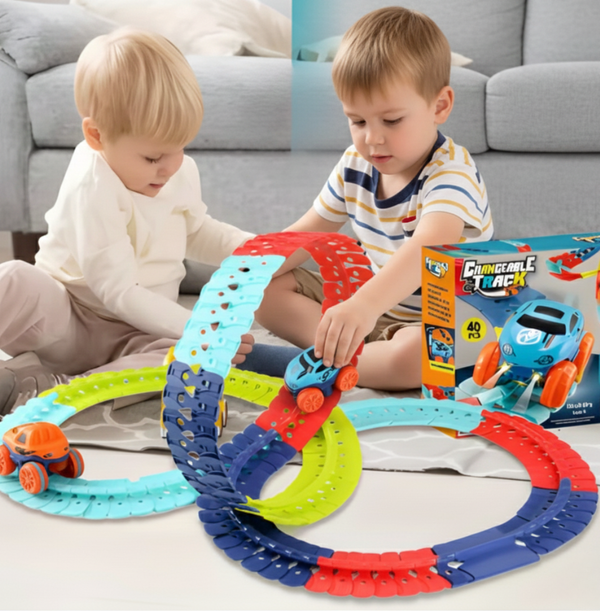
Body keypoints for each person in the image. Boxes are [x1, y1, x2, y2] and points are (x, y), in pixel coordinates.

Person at [0, 28, 254, 415]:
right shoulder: (92, 185)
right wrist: (201, 326)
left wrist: (254, 249)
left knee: (189, 360)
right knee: (14, 280)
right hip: (68, 321)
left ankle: (63, 389)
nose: (170, 167)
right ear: (96, 136)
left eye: (180, 148)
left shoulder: (176, 169)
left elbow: (196, 230)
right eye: (153, 158)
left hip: (138, 335)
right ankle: (41, 373)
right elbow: (117, 291)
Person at [250, 7, 493, 391]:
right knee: (264, 291)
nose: (372, 138)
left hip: (432, 320)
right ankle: (342, 351)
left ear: (440, 106)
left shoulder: (452, 173)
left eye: (391, 121)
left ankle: (303, 363)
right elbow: (308, 233)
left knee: (419, 357)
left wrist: (363, 306)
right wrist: (250, 270)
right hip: (366, 307)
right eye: (358, 121)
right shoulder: (356, 164)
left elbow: (428, 247)